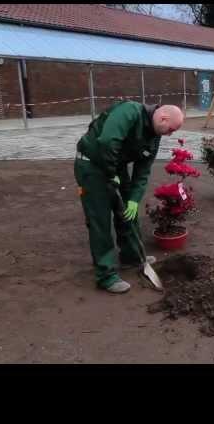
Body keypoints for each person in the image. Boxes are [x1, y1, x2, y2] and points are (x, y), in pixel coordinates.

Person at [74, 101, 184, 293]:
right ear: (163, 118)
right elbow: (107, 141)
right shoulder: (130, 112)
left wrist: (134, 198)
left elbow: (143, 171)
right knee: (100, 219)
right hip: (92, 166)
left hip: (115, 168)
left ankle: (132, 256)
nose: (169, 134)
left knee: (127, 211)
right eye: (170, 130)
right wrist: (110, 174)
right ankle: (106, 275)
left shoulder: (154, 136)